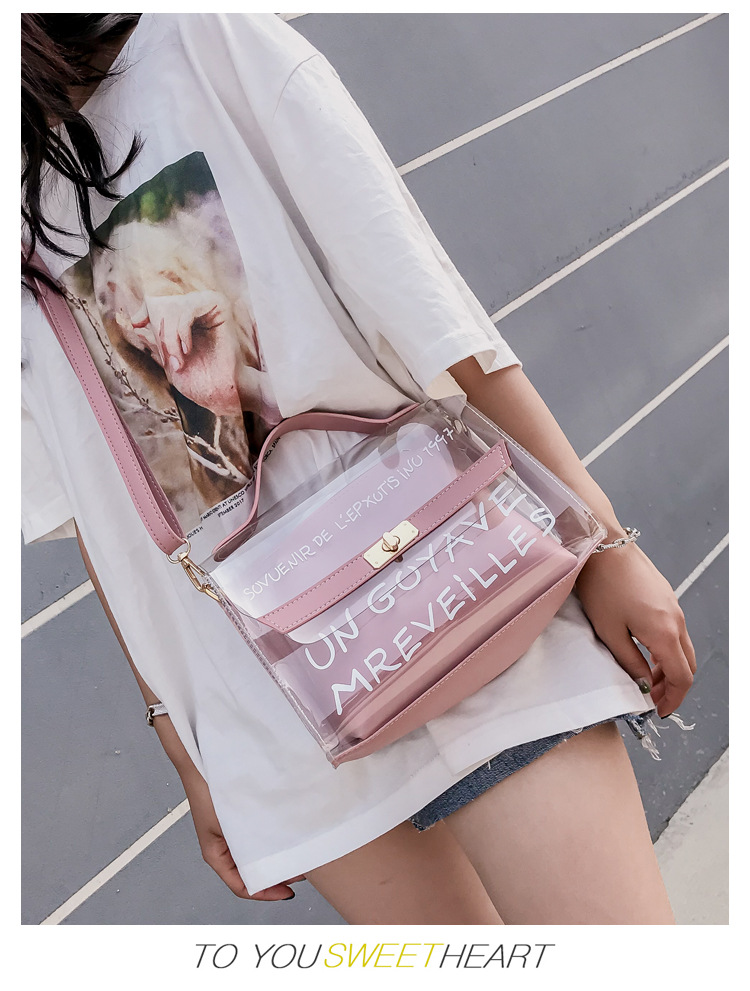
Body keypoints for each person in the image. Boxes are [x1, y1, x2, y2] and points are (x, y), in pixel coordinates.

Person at [21, 13, 696, 925]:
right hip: (277, 717)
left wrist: (603, 538)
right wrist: (187, 745)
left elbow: (425, 305)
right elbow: (100, 519)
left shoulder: (202, 40)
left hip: (454, 585)